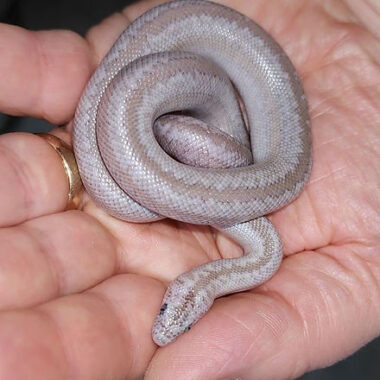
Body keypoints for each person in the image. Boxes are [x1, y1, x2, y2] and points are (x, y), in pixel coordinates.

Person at [0, 0, 379, 378]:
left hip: (161, 106)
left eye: (168, 313)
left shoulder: (265, 247)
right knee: (162, 135)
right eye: (172, 314)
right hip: (158, 95)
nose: (166, 323)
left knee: (166, 148)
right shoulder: (262, 249)